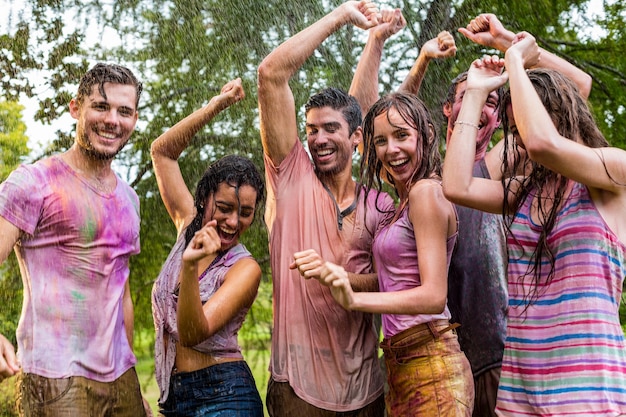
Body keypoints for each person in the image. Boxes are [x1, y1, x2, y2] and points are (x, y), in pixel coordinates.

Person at [442, 33, 626, 416]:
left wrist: (514, 59)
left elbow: (544, 143)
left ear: (562, 112)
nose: (522, 142)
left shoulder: (613, 172)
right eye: (515, 131)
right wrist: (475, 93)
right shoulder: (527, 189)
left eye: (525, 124)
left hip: (586, 390)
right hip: (521, 390)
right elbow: (456, 185)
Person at [257, 1, 396, 415]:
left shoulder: (379, 202)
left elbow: (399, 283)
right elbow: (270, 74)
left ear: (356, 138)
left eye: (330, 129)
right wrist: (340, 15)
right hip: (298, 392)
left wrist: (348, 280)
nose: (317, 138)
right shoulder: (291, 176)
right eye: (311, 129)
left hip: (367, 392)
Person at [0, 63, 150, 416]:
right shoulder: (34, 182)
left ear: (134, 119)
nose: (113, 120)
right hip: (56, 378)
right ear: (75, 108)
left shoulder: (130, 200)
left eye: (124, 111)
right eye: (101, 106)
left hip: (121, 379)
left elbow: (121, 295)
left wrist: (132, 381)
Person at [315, 92, 474, 416]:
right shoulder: (401, 202)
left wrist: (354, 300)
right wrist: (344, 277)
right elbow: (397, 280)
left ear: (426, 135)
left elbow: (432, 296)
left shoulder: (426, 193)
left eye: (402, 135)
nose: (392, 149)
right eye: (381, 141)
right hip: (400, 363)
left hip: (431, 362)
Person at [150, 78, 265, 417]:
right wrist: (216, 105)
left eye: (245, 213)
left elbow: (192, 332)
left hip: (226, 394)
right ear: (203, 200)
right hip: (175, 398)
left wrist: (189, 265)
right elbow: (162, 152)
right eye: (225, 208)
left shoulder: (245, 269)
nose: (233, 222)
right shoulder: (187, 224)